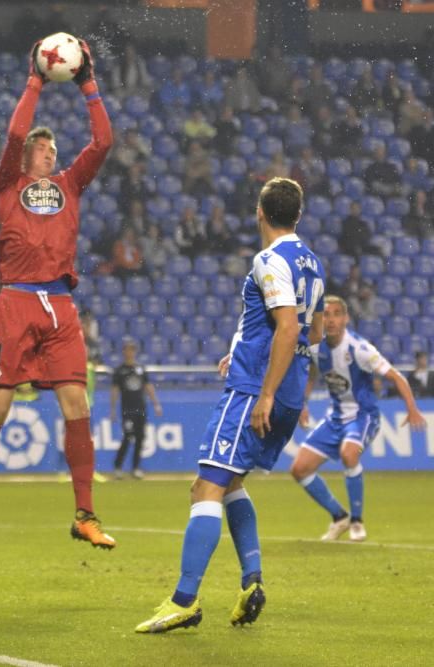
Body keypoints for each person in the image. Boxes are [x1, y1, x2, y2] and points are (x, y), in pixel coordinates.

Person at [136, 178, 325, 634]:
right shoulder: (312, 262)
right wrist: (246, 348)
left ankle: (184, 600)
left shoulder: (269, 259)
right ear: (297, 216)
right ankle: (250, 582)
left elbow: (285, 328)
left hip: (253, 392)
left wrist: (262, 391)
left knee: (205, 487)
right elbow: (312, 333)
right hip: (287, 386)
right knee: (231, 482)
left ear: (260, 213)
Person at [0, 38, 115, 560]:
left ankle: (85, 514)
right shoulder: (8, 182)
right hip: (17, 302)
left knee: (77, 402)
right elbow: (17, 130)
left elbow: (104, 141)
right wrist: (36, 81)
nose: (52, 152)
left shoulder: (70, 185)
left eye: (53, 150)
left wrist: (88, 83)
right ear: (27, 156)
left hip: (59, 306)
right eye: (44, 149)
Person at [291, 296, 426, 542]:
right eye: (326, 314)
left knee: (349, 454)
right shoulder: (315, 346)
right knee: (299, 469)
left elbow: (395, 376)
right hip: (336, 416)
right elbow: (311, 372)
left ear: (345, 319)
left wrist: (412, 409)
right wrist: (303, 403)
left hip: (363, 415)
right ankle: (339, 516)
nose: (330, 320)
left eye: (336, 314)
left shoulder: (360, 349)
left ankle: (356, 520)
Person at [110, 340, 162, 480]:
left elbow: (148, 386)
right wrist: (113, 409)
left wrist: (156, 404)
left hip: (141, 408)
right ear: (123, 352)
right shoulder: (119, 371)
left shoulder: (140, 369)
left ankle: (135, 468)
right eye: (127, 350)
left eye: (132, 350)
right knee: (127, 437)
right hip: (127, 409)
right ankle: (118, 467)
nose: (130, 352)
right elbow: (114, 390)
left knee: (140, 438)